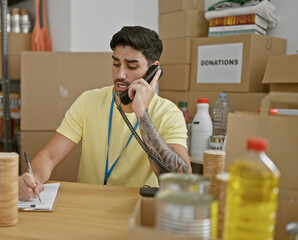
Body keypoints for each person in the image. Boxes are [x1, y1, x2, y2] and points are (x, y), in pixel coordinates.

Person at [19, 26, 191, 201]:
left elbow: (181, 181)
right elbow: (49, 156)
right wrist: (31, 180)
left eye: (131, 66)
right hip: (89, 205)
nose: (120, 74)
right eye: (116, 64)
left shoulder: (169, 113)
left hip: (136, 209)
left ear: (153, 71)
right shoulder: (89, 101)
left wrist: (142, 114)